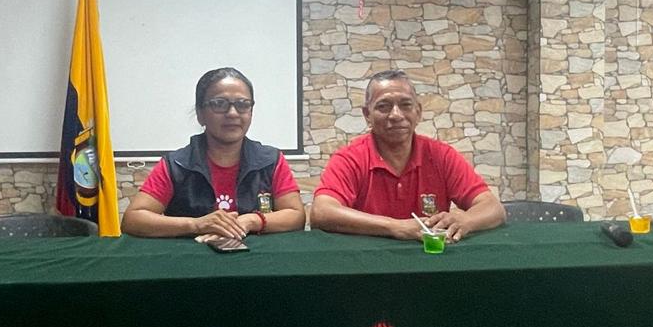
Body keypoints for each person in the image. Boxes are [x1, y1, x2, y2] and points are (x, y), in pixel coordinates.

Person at [310, 70, 506, 242]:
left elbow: (493, 208)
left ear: (418, 112)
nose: (396, 115)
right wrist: (396, 227)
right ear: (367, 115)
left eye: (405, 105)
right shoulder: (350, 158)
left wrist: (466, 220)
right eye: (383, 106)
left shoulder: (442, 156)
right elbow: (321, 212)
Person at [122, 67, 306, 238]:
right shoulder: (176, 164)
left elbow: (296, 215)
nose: (232, 113)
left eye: (243, 104)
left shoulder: (271, 160)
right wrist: (196, 224)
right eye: (219, 104)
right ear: (200, 114)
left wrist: (252, 220)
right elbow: (133, 219)